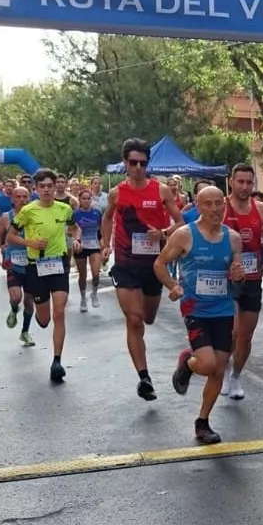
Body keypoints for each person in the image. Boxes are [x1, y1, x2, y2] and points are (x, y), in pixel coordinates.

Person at [156, 186, 247, 445]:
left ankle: (203, 422)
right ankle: (188, 363)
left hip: (223, 307)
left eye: (219, 203)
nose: (215, 209)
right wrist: (172, 285)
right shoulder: (185, 235)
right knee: (206, 364)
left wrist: (238, 275)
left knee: (218, 367)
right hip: (195, 307)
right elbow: (159, 264)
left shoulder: (233, 239)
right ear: (198, 205)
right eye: (208, 204)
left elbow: (237, 275)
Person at [101, 139, 184, 401]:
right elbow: (107, 218)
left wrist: (163, 232)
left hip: (153, 264)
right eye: (133, 163)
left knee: (147, 318)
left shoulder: (161, 191)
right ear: (125, 163)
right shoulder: (117, 193)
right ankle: (144, 377)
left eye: (143, 163)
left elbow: (180, 221)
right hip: (125, 263)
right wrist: (105, 244)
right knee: (134, 319)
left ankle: (143, 372)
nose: (138, 168)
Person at [220, 165, 263, 399]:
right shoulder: (220, 207)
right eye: (240, 182)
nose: (245, 187)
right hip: (225, 278)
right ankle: (225, 370)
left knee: (246, 335)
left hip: (252, 279)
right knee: (233, 332)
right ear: (231, 182)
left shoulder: (260, 209)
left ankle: (236, 375)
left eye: (249, 182)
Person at [8, 169, 81, 383]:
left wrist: (75, 240)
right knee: (44, 318)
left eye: (50, 185)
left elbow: (75, 228)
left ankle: (57, 361)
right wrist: (29, 242)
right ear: (36, 189)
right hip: (36, 267)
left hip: (58, 264)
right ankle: (40, 317)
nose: (47, 190)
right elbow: (11, 236)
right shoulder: (27, 211)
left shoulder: (65, 209)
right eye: (43, 187)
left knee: (59, 312)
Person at [0, 186, 36, 346]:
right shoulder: (6, 217)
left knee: (29, 300)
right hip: (13, 262)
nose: (22, 200)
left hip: (32, 263)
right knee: (16, 297)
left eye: (25, 196)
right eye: (18, 196)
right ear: (12, 199)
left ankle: (25, 332)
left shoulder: (35, 216)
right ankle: (13, 308)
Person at [73, 189, 103, 311]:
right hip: (80, 246)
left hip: (94, 245)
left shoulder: (97, 212)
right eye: (83, 198)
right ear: (79, 200)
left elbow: (101, 229)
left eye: (88, 198)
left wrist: (104, 244)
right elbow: (71, 229)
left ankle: (94, 294)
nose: (86, 201)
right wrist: (76, 240)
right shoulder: (75, 214)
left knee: (96, 273)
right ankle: (83, 298)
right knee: (83, 275)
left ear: (91, 200)